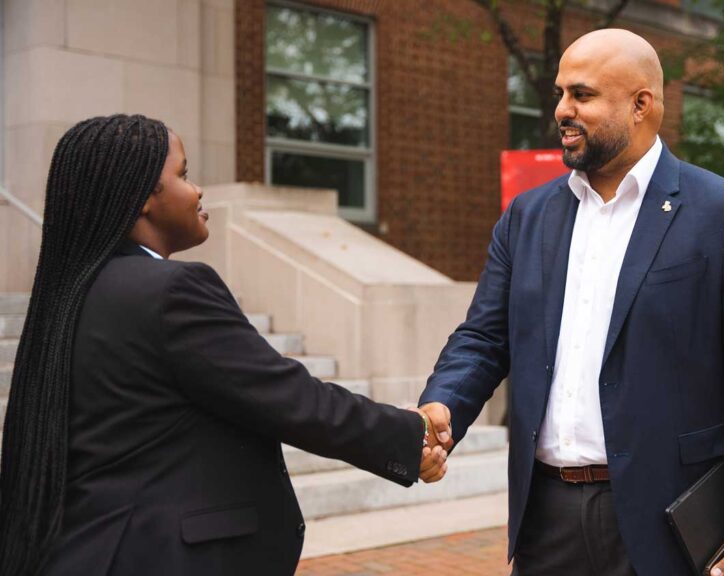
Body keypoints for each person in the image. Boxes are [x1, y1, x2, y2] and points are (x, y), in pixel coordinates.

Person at [418, 29, 724, 576]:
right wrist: (442, 406)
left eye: (582, 94)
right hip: (545, 517)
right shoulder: (527, 218)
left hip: (670, 518)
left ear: (641, 104)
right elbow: (484, 338)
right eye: (560, 93)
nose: (562, 110)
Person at [0, 114, 448, 576]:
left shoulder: (74, 292)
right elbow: (287, 396)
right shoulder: (170, 291)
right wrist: (412, 433)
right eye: (184, 174)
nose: (198, 191)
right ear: (143, 198)